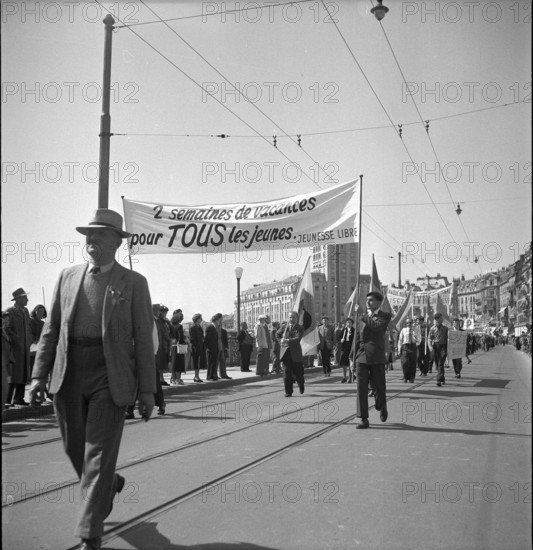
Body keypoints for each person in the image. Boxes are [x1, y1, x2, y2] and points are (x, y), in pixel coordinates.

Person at [29, 208, 156, 550]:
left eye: (99, 234)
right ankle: (109, 485)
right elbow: (51, 328)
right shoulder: (68, 276)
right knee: (76, 451)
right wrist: (38, 375)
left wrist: (147, 390)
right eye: (88, 234)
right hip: (68, 371)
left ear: (117, 241)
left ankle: (90, 533)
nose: (91, 239)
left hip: (109, 375)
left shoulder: (133, 283)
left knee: (97, 455)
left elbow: (143, 339)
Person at [353, 291, 392, 429]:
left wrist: (363, 315)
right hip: (361, 356)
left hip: (376, 356)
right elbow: (357, 337)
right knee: (361, 388)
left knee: (379, 387)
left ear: (378, 302)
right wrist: (353, 356)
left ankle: (382, 404)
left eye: (371, 300)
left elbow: (376, 327)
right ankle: (363, 418)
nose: (368, 302)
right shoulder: (362, 317)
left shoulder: (385, 316)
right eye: (367, 300)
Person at [5, 288, 32, 407]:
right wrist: (16, 340)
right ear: (18, 299)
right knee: (13, 374)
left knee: (23, 373)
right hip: (15, 349)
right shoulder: (10, 311)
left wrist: (29, 340)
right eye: (25, 297)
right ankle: (7, 399)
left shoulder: (26, 311)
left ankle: (19, 398)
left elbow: (29, 328)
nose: (27, 299)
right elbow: (7, 328)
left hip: (25, 348)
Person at [277, 311, 304, 397]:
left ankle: (301, 384)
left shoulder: (299, 328)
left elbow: (297, 338)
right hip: (286, 353)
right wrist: (280, 340)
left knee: (298, 373)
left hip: (295, 353)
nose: (291, 319)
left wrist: (287, 340)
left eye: (293, 317)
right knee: (286, 373)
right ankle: (288, 391)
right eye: (290, 317)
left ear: (296, 318)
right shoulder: (284, 327)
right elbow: (277, 334)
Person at [152, 304, 167, 415]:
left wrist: (153, 353)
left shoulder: (154, 321)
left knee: (155, 381)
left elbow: (155, 339)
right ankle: (129, 409)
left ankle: (161, 403)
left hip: (150, 355)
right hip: (141, 355)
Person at [398, 318, 421, 383]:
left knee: (413, 363)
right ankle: (405, 377)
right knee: (405, 362)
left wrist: (416, 340)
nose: (409, 324)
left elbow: (419, 339)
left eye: (410, 322)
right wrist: (399, 350)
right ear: (406, 324)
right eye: (408, 323)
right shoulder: (403, 330)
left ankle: (411, 377)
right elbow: (400, 340)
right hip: (405, 347)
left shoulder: (415, 330)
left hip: (413, 346)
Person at [429, 312, 449, 387]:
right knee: (438, 364)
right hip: (436, 346)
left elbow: (448, 338)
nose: (442, 319)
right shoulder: (432, 328)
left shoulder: (445, 328)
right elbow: (429, 339)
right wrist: (430, 346)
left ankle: (439, 380)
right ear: (437, 319)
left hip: (443, 346)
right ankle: (442, 377)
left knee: (441, 363)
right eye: (441, 318)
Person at [170, 309, 186, 385]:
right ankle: (178, 379)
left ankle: (173, 379)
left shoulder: (170, 325)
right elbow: (181, 337)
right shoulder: (179, 326)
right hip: (179, 346)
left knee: (173, 363)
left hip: (172, 346)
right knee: (179, 363)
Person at [205, 313, 223, 381]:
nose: (219, 322)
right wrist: (208, 347)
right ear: (215, 321)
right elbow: (207, 339)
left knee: (214, 362)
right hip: (211, 348)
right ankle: (209, 376)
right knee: (211, 362)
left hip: (215, 348)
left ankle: (213, 375)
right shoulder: (210, 328)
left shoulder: (215, 328)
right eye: (218, 320)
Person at [189, 313, 205, 382]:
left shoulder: (199, 327)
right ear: (197, 319)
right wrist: (195, 347)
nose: (201, 319)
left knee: (199, 362)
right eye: (200, 318)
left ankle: (197, 376)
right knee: (196, 362)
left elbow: (202, 337)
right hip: (196, 347)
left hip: (200, 346)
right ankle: (196, 376)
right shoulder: (192, 328)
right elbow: (192, 339)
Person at [339, 318, 355, 383]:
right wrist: (341, 340)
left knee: (350, 363)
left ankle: (350, 377)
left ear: (352, 323)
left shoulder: (354, 330)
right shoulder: (344, 330)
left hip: (351, 347)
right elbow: (339, 337)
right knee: (344, 363)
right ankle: (344, 377)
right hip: (345, 347)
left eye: (350, 322)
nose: (348, 324)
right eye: (347, 322)